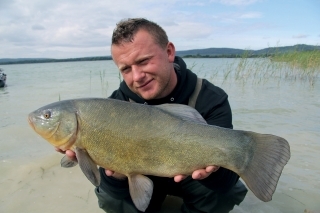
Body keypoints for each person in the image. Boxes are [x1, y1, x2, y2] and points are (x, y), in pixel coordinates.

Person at [58, 18, 248, 213]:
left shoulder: (210, 98)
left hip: (192, 178)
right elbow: (112, 191)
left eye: (143, 61)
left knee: (228, 192)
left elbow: (227, 181)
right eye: (126, 69)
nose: (137, 76)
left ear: (169, 52)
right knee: (110, 198)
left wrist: (212, 173)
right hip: (143, 179)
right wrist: (118, 175)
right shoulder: (114, 106)